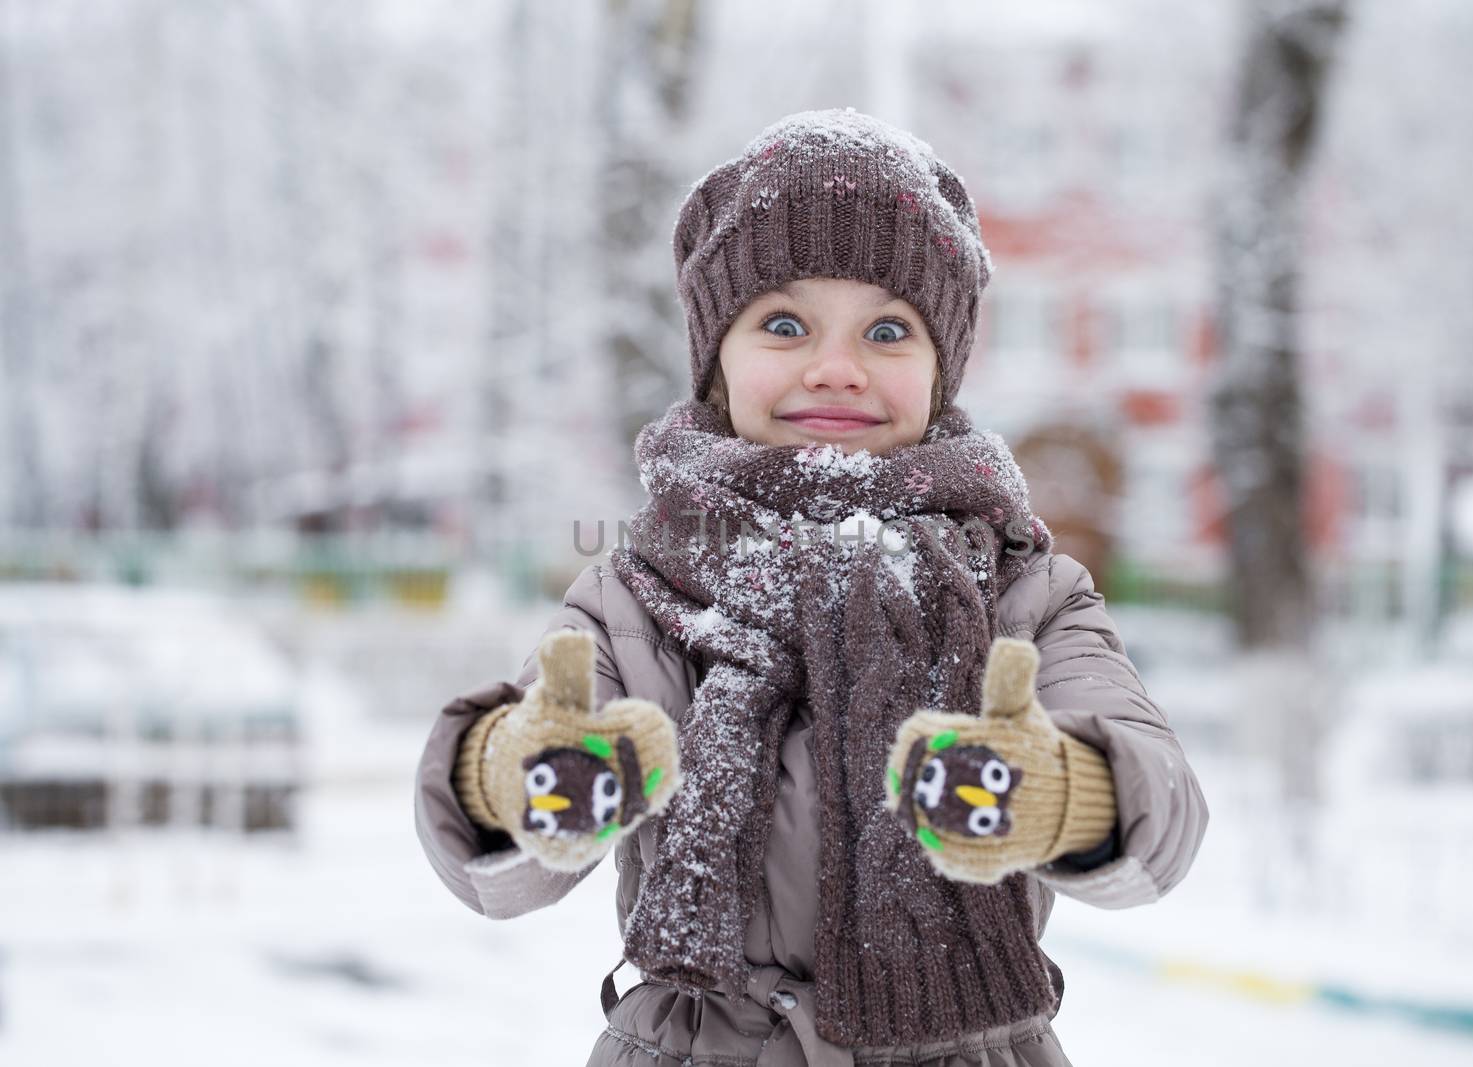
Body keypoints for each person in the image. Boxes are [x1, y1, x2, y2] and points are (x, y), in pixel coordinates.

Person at [414, 107, 1209, 1066]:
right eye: (784, 323)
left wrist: (1059, 793)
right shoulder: (635, 596)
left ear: (939, 367)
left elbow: (1159, 807)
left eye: (888, 328)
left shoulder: (1025, 589)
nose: (836, 368)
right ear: (718, 359)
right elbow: (502, 866)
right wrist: (516, 771)